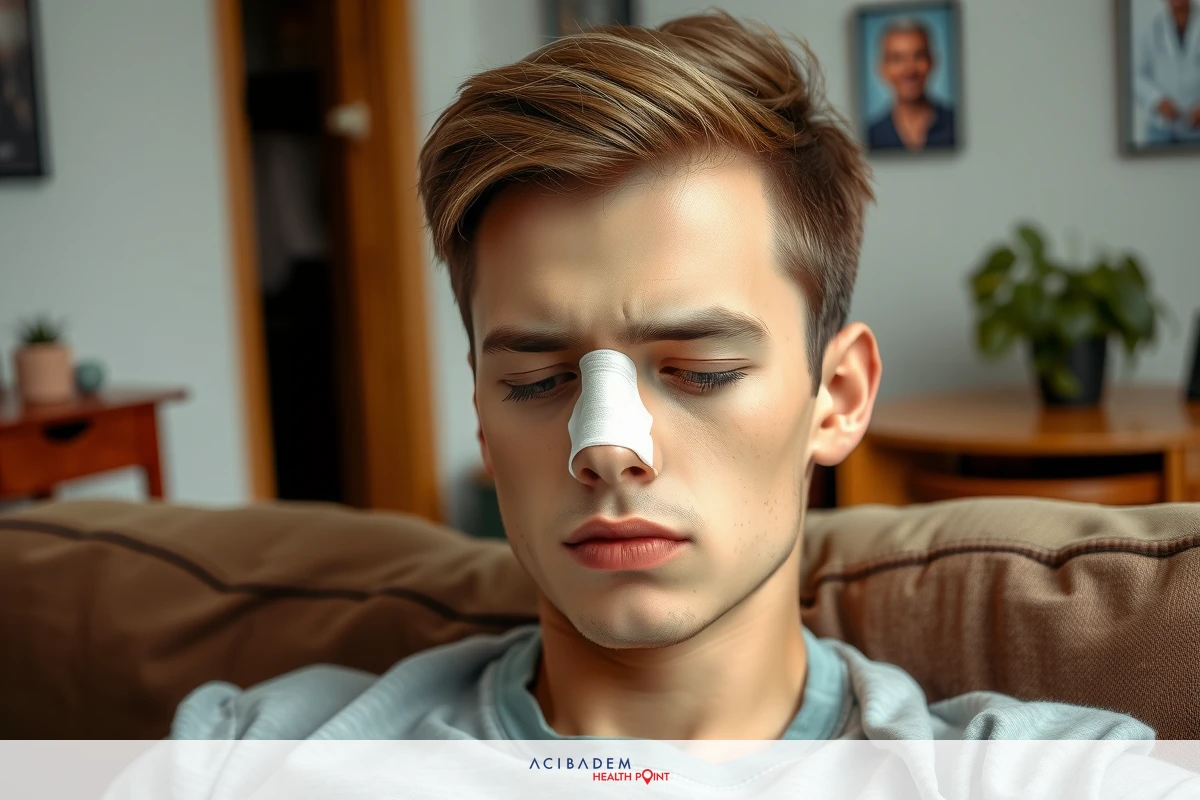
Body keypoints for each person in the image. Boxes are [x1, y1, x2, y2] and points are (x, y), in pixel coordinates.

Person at [170, 9, 1153, 754]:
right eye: (538, 378)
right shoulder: (253, 752)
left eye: (699, 369)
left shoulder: (1054, 772)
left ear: (839, 394)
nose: (607, 443)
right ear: (479, 409)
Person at [866, 18, 955, 151]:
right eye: (897, 59)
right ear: (882, 68)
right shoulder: (870, 136)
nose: (909, 70)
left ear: (932, 62)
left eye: (918, 56)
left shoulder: (957, 125)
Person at [1135, 0, 1200, 145]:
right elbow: (1136, 74)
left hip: (1197, 124)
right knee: (1155, 167)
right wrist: (1157, 100)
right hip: (1161, 126)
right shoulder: (1150, 27)